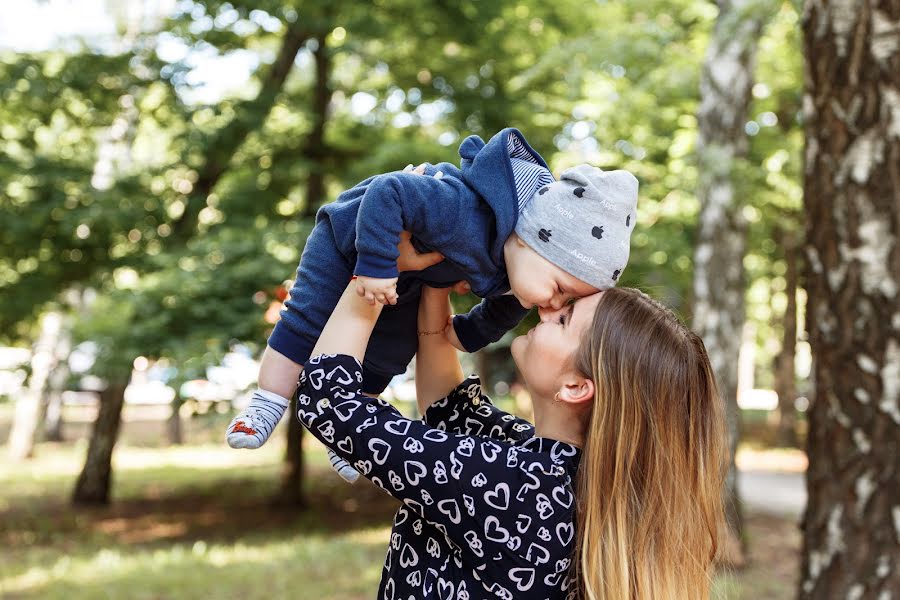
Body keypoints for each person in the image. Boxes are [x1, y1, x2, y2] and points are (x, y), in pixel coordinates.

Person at [226, 127, 639, 484]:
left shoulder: (521, 274)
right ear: (530, 240)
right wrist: (375, 265)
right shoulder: (462, 214)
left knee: (389, 352)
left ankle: (355, 435)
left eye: (566, 309)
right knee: (306, 320)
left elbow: (501, 311)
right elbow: (389, 190)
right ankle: (268, 400)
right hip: (353, 244)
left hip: (407, 277)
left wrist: (468, 330)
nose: (550, 308)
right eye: (561, 291)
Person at [297, 269, 728, 598]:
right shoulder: (554, 469)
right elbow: (449, 410)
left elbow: (329, 404)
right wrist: (436, 281)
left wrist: (376, 270)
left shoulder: (523, 484)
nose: (547, 309)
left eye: (564, 319)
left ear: (576, 386)